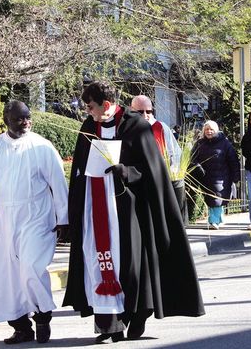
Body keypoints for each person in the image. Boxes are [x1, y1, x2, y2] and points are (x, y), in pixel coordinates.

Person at [63, 82, 204, 343]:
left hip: (129, 208)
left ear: (106, 105)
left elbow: (153, 169)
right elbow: (79, 170)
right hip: (95, 208)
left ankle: (137, 313)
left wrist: (127, 172)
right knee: (100, 263)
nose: (88, 111)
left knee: (129, 266)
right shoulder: (87, 128)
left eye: (91, 106)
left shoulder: (135, 126)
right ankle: (109, 324)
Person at [0, 100, 68, 345]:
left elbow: (58, 183)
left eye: (27, 117)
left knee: (31, 268)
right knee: (8, 275)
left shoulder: (42, 147)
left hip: (36, 215)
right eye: (18, 119)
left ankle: (43, 315)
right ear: (6, 121)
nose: (25, 122)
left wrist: (64, 219)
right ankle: (21, 326)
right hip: (3, 219)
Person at [189, 120, 240, 229]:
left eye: (211, 129)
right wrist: (197, 167)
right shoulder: (200, 143)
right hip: (205, 176)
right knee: (211, 199)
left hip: (221, 177)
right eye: (207, 129)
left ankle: (213, 221)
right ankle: (219, 218)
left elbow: (233, 160)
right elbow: (192, 157)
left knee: (216, 198)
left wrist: (236, 176)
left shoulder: (225, 143)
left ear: (216, 130)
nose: (209, 131)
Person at [130, 95, 181, 174]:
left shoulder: (161, 128)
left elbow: (175, 153)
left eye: (148, 111)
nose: (145, 116)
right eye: (140, 112)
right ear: (131, 110)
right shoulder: (127, 129)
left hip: (159, 176)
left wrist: (172, 174)